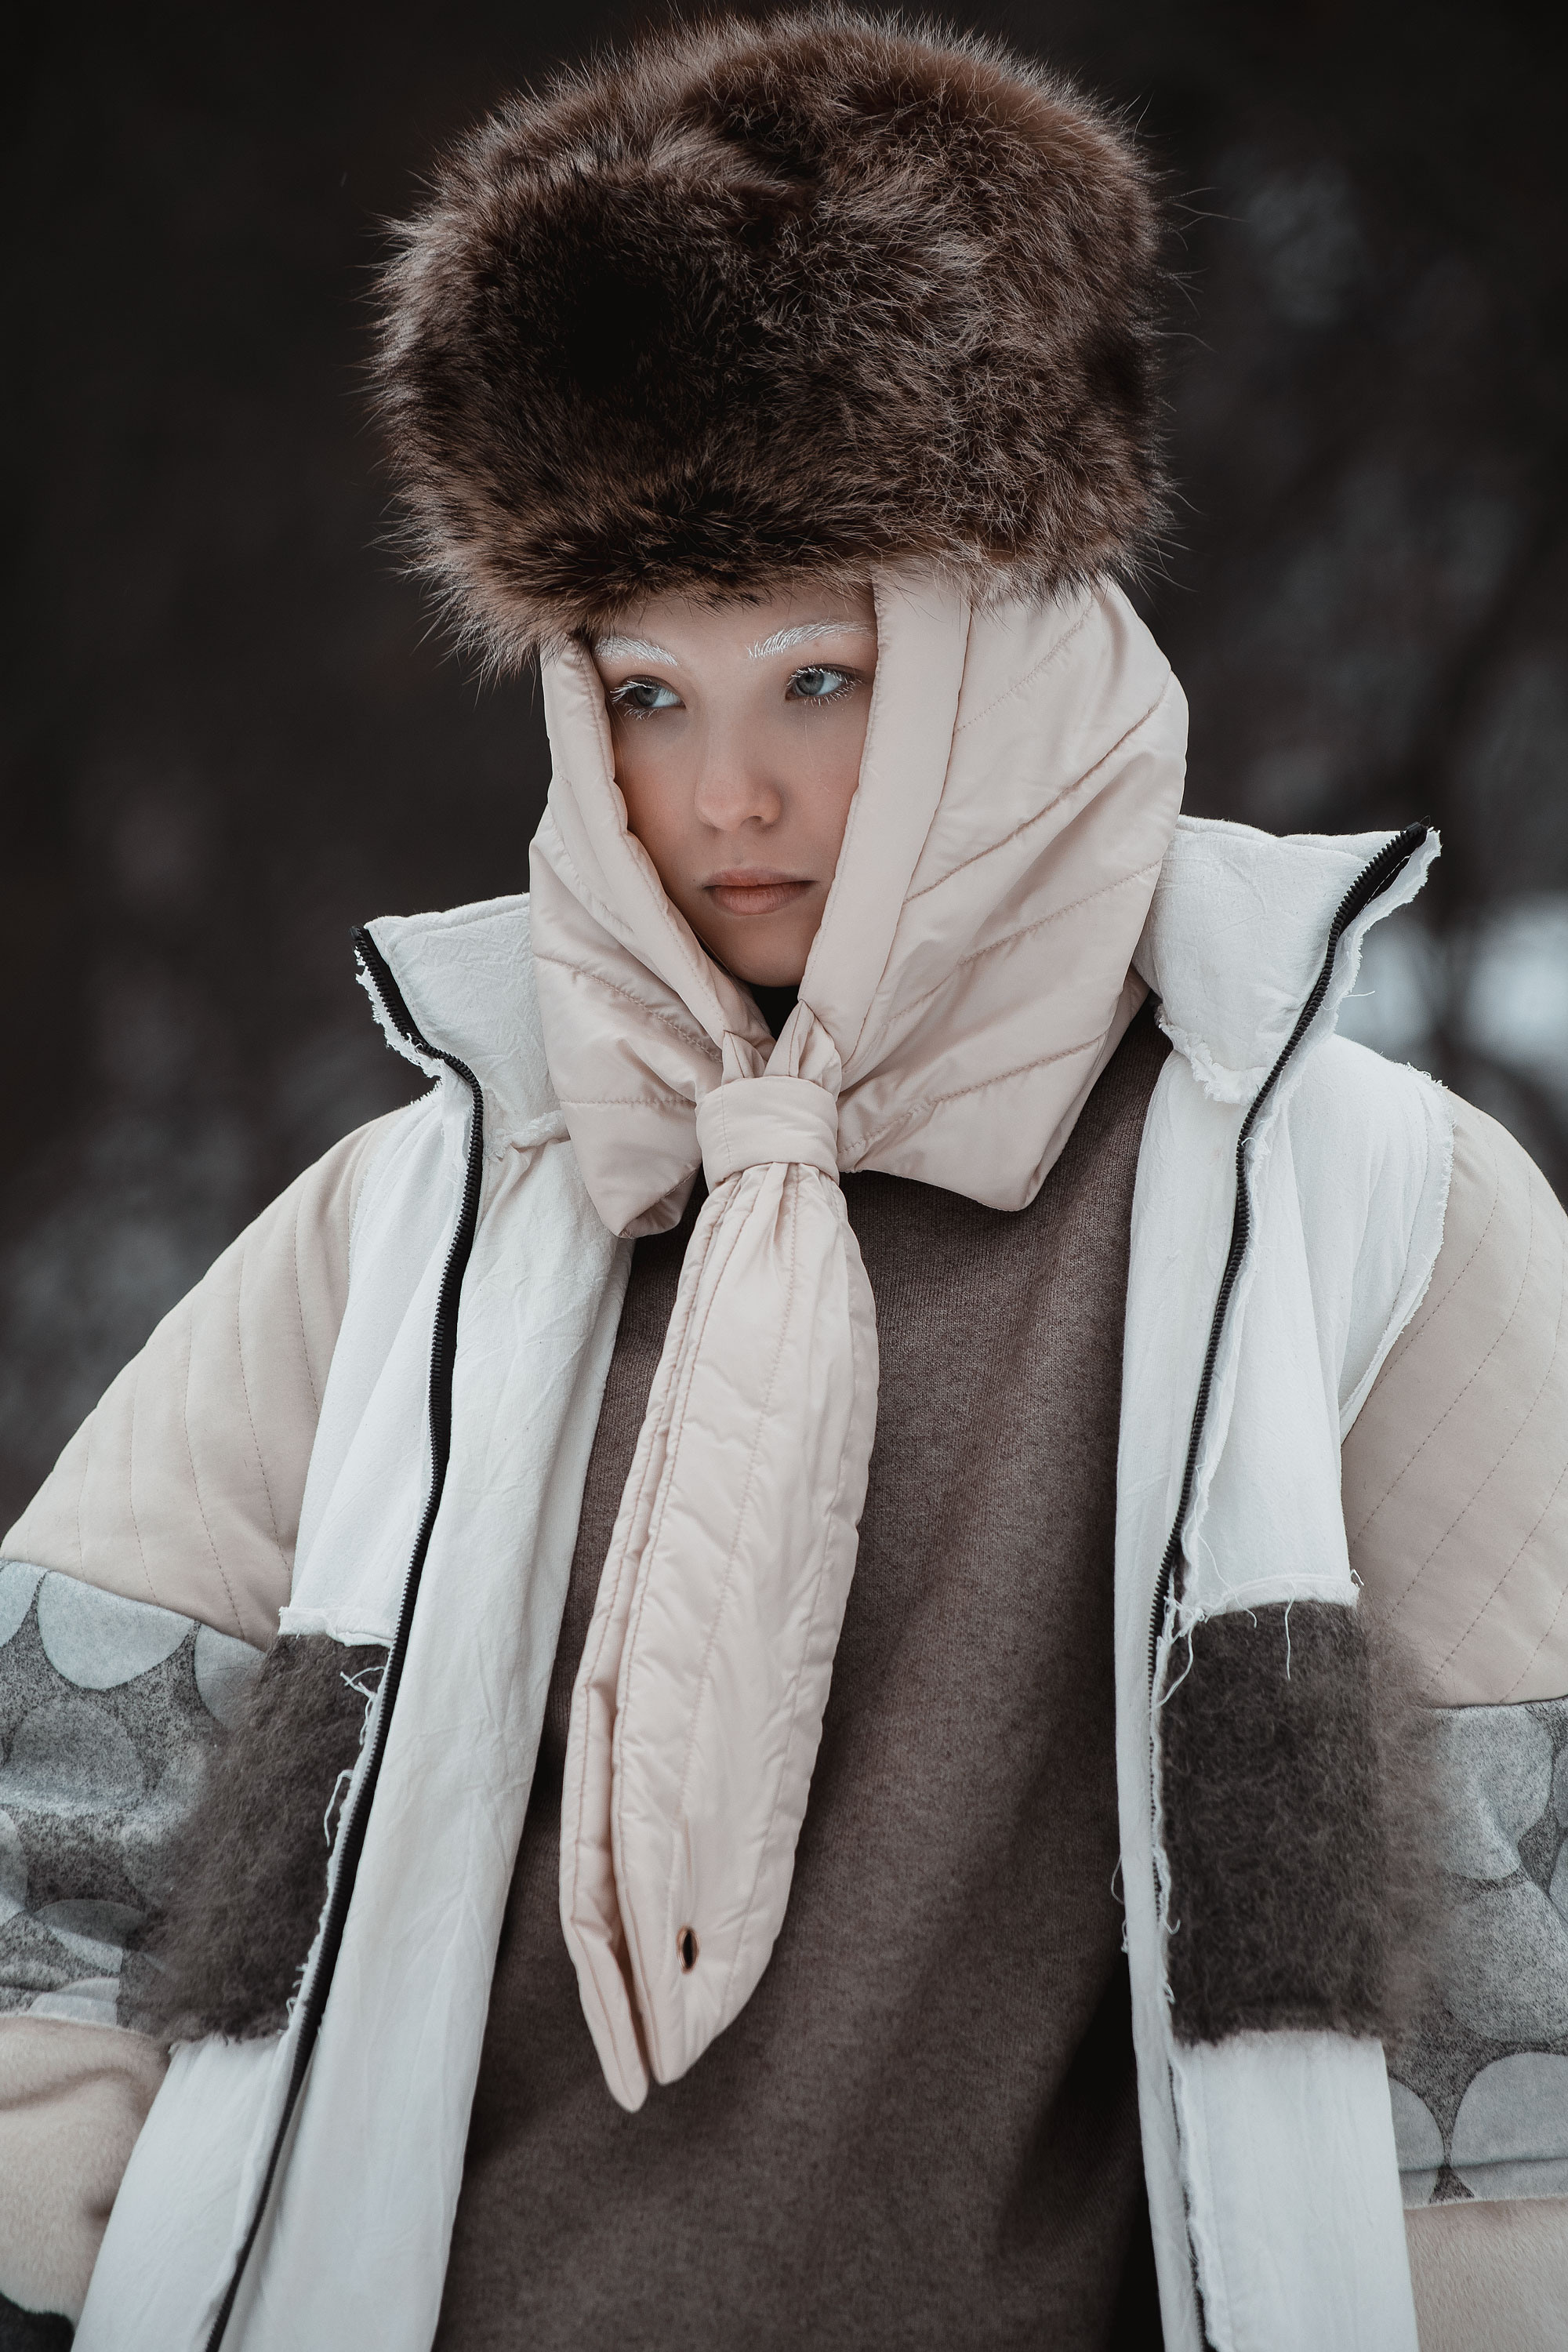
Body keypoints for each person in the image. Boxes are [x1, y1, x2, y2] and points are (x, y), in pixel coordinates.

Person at [1, 13, 1565, 2350]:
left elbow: (1515, 1954)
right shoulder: (431, 1215)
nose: (723, 796)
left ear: (1005, 653)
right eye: (648, 692)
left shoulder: (1345, 1208)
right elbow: (64, 1830)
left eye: (818, 682)